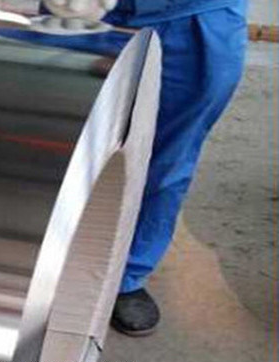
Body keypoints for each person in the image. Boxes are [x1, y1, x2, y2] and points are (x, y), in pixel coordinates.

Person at [43, 0, 248, 336]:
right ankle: (40, 262)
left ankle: (126, 274)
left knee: (166, 156)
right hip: (77, 14)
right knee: (45, 138)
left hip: (192, 17)